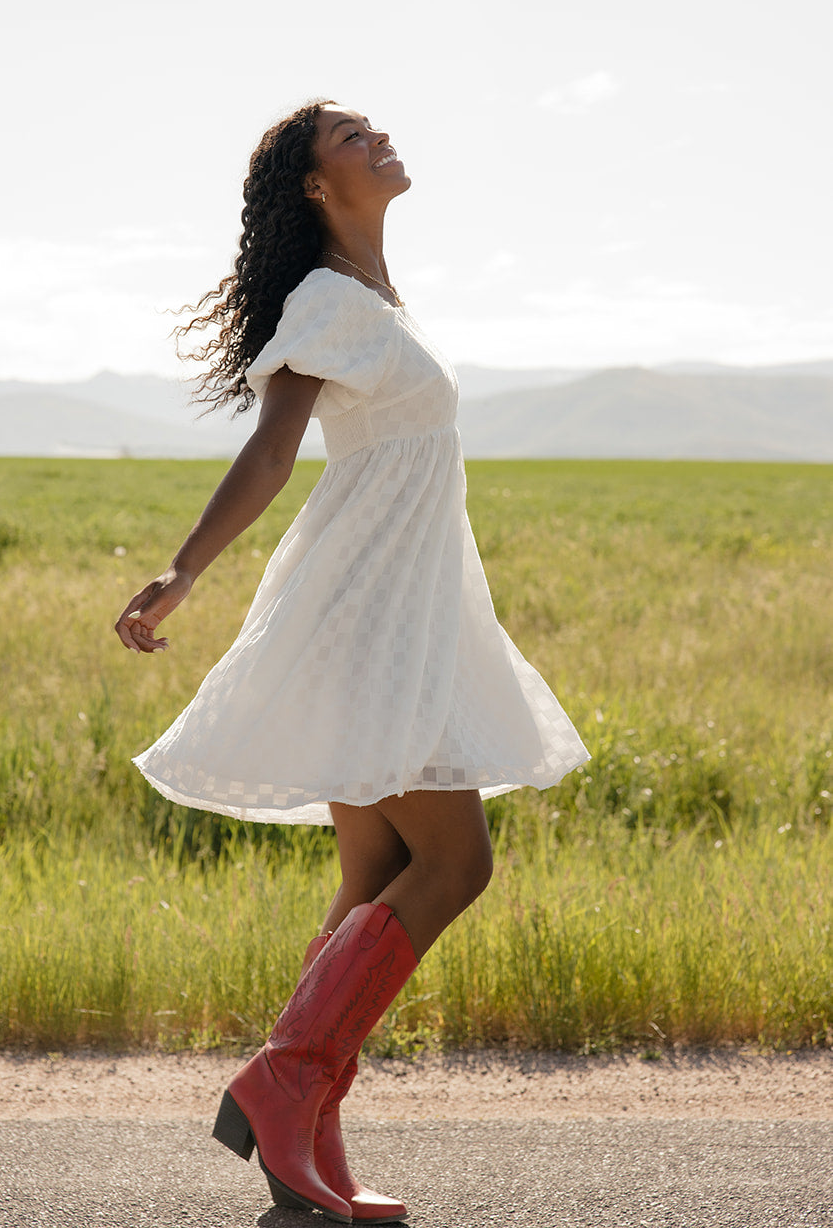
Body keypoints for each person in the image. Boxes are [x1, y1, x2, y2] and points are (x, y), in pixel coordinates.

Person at [115, 101, 590, 1224]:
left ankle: (304, 1137)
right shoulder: (324, 302)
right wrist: (184, 571)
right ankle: (281, 1081)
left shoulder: (375, 300)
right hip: (369, 626)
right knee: (454, 863)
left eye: (373, 124)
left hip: (394, 614)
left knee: (372, 879)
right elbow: (274, 445)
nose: (376, 136)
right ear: (314, 187)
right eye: (348, 135)